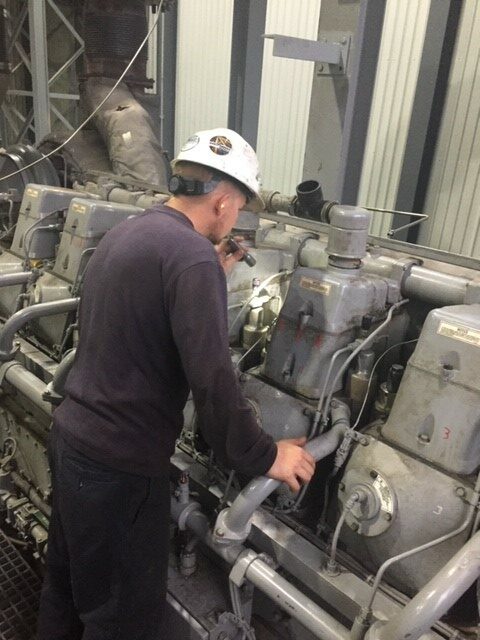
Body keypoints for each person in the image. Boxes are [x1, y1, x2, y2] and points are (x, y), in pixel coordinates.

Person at [37, 128, 316, 640]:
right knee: (121, 618)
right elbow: (213, 382)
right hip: (119, 469)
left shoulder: (131, 232)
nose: (236, 219)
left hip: (74, 441)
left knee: (67, 584)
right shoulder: (189, 260)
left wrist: (207, 272)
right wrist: (263, 456)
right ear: (224, 201)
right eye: (240, 208)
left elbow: (135, 316)